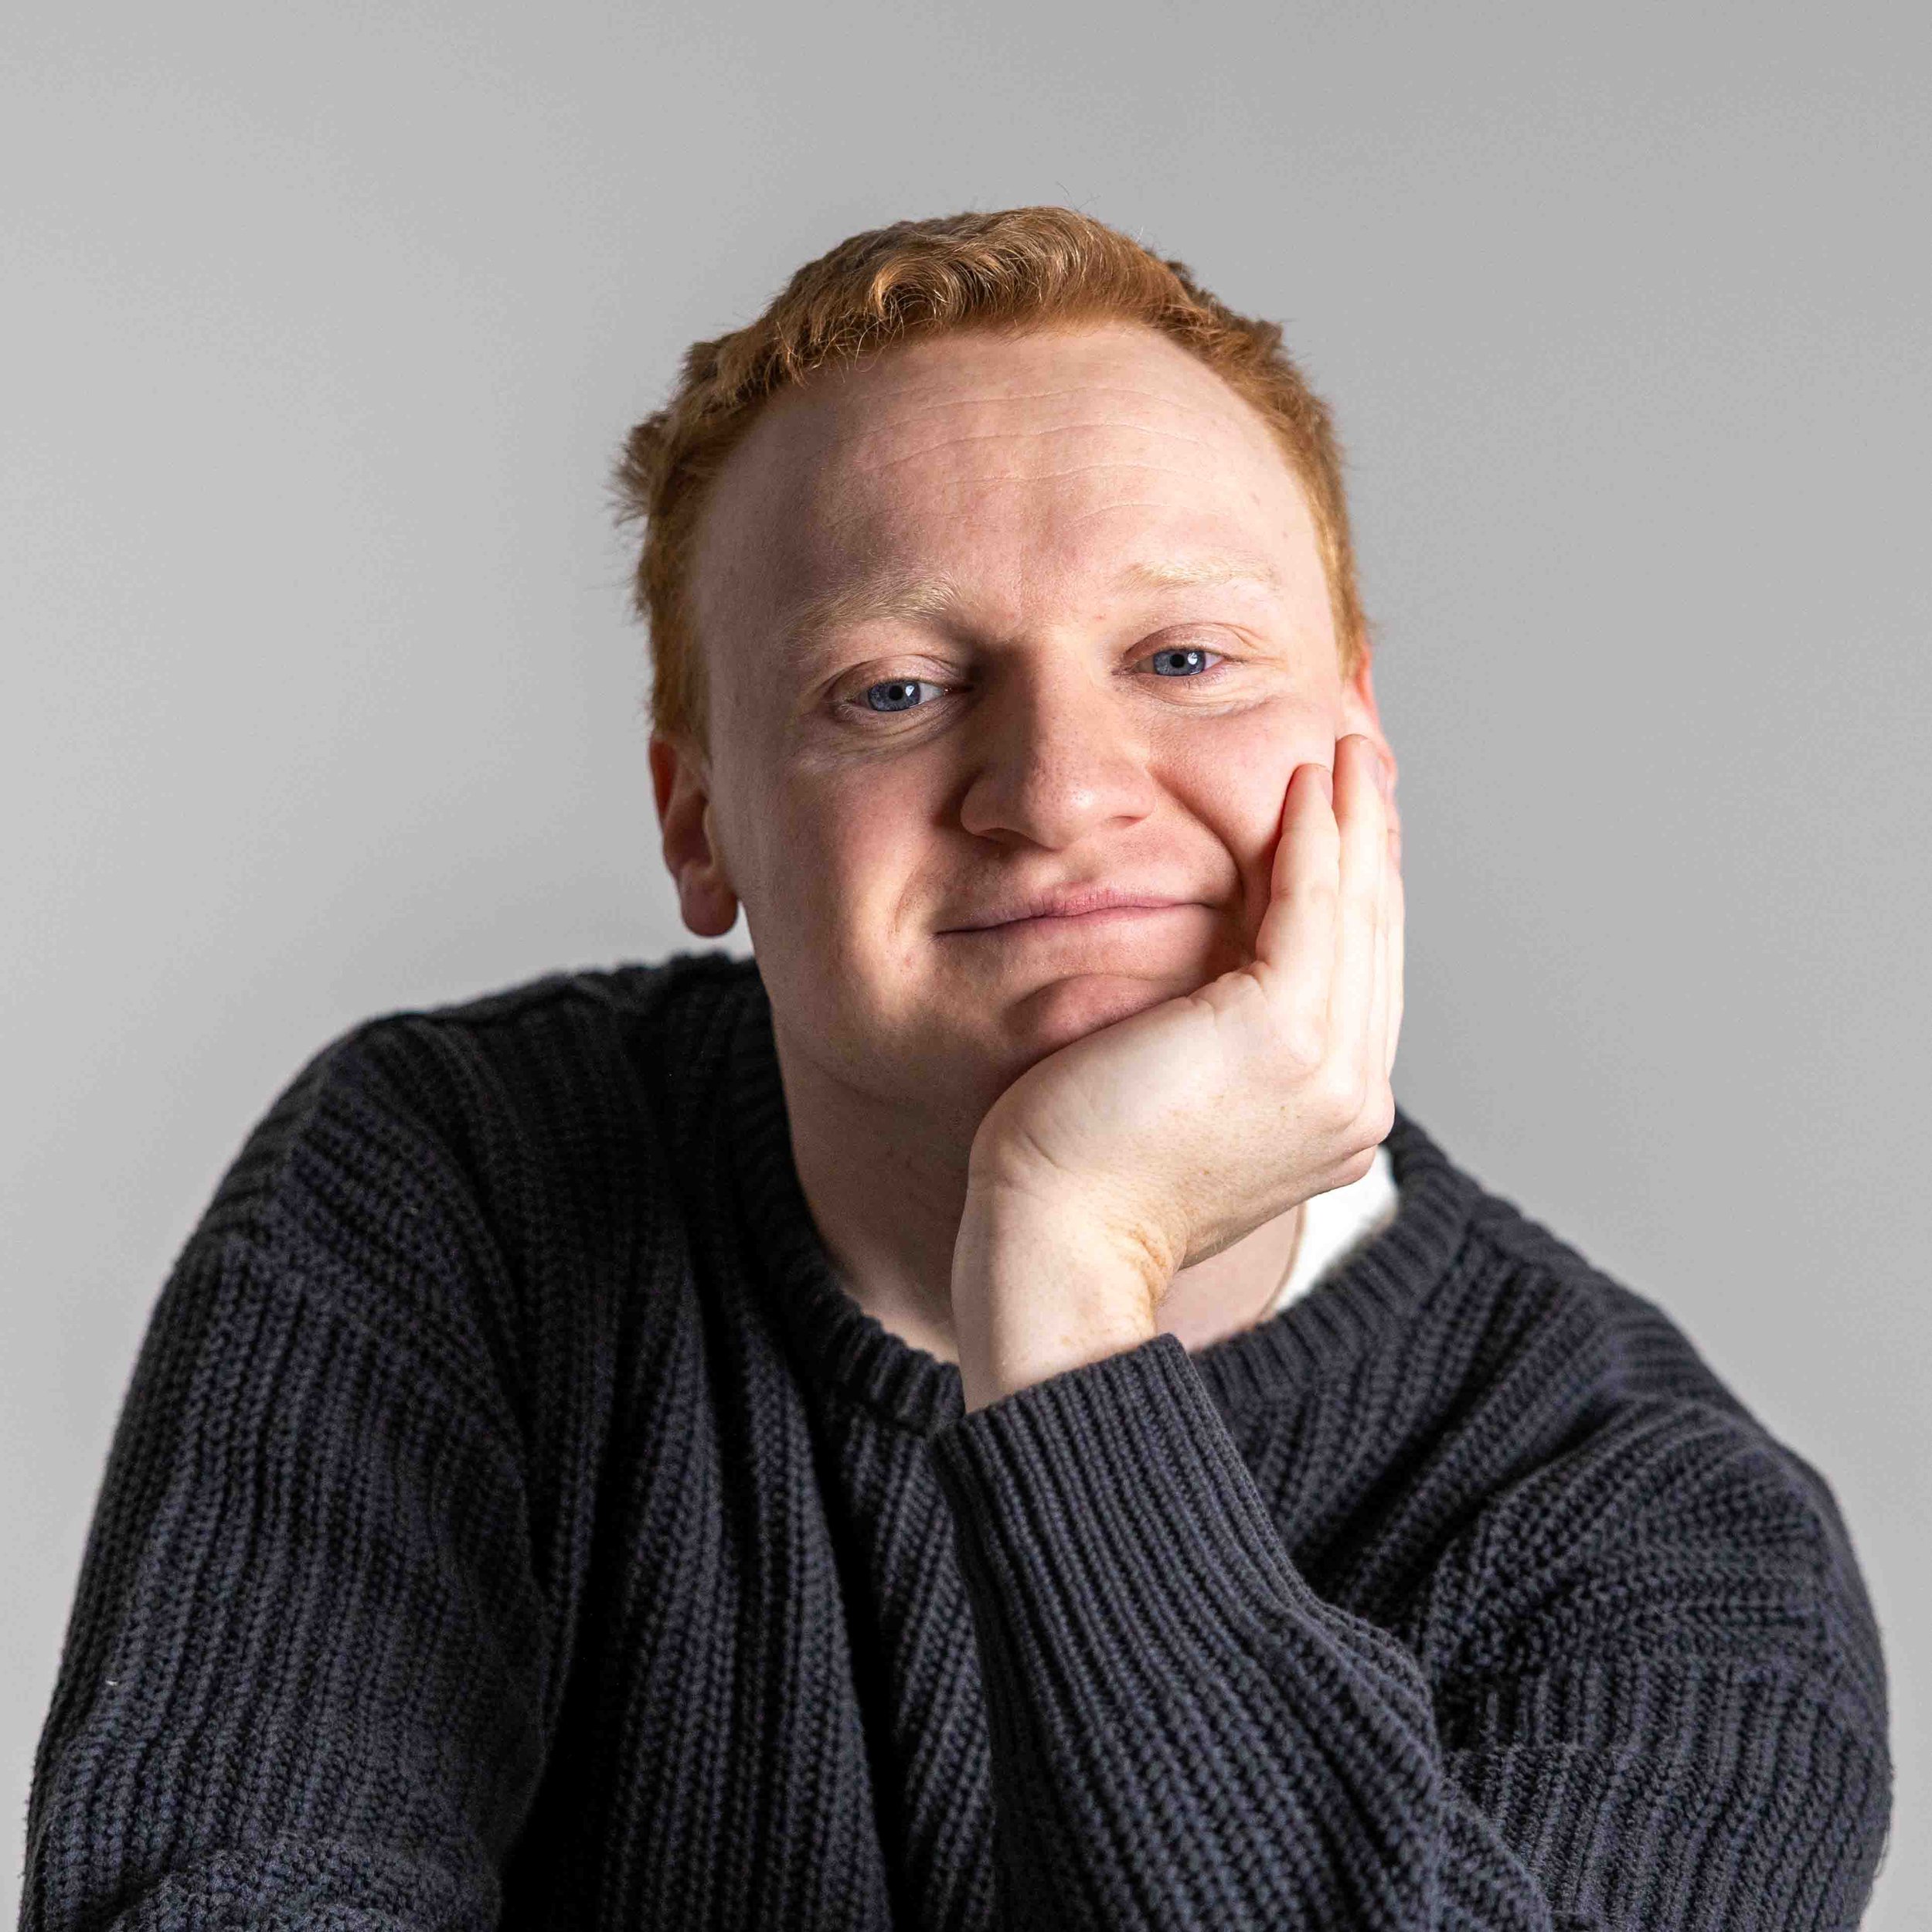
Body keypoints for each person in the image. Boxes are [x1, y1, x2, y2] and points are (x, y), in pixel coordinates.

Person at [22, 207, 1890, 1930]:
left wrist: (1069, 1283)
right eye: (893, 690)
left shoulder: (1663, 1532)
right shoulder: (454, 1186)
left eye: (1180, 656)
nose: (1060, 792)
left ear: (1357, 745)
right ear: (701, 822)